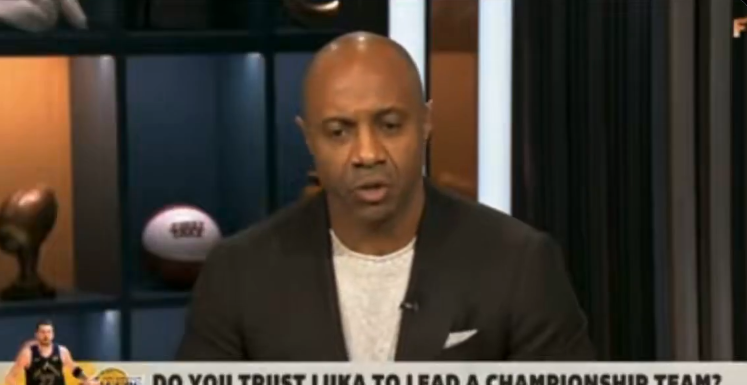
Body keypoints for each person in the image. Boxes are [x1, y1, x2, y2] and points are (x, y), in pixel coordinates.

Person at [177, 31, 595, 362]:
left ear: (426, 122)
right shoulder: (239, 274)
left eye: (390, 125)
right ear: (309, 138)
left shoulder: (518, 263)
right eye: (339, 131)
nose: (368, 154)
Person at [4, 320, 98, 385]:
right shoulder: (28, 353)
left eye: (49, 332)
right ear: (37, 334)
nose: (46, 335)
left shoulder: (62, 351)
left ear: (53, 334)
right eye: (43, 332)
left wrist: (86, 379)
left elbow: (74, 369)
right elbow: (10, 378)